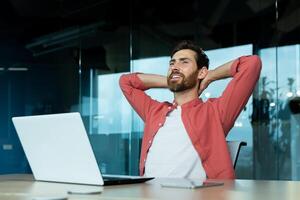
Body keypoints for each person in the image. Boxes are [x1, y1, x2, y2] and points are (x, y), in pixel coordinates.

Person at [119, 40, 262, 179]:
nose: (175, 67)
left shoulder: (215, 112)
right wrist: (172, 80)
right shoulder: (154, 111)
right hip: (147, 194)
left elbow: (251, 64)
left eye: (184, 62)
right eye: (172, 63)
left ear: (201, 72)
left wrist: (209, 76)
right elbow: (126, 82)